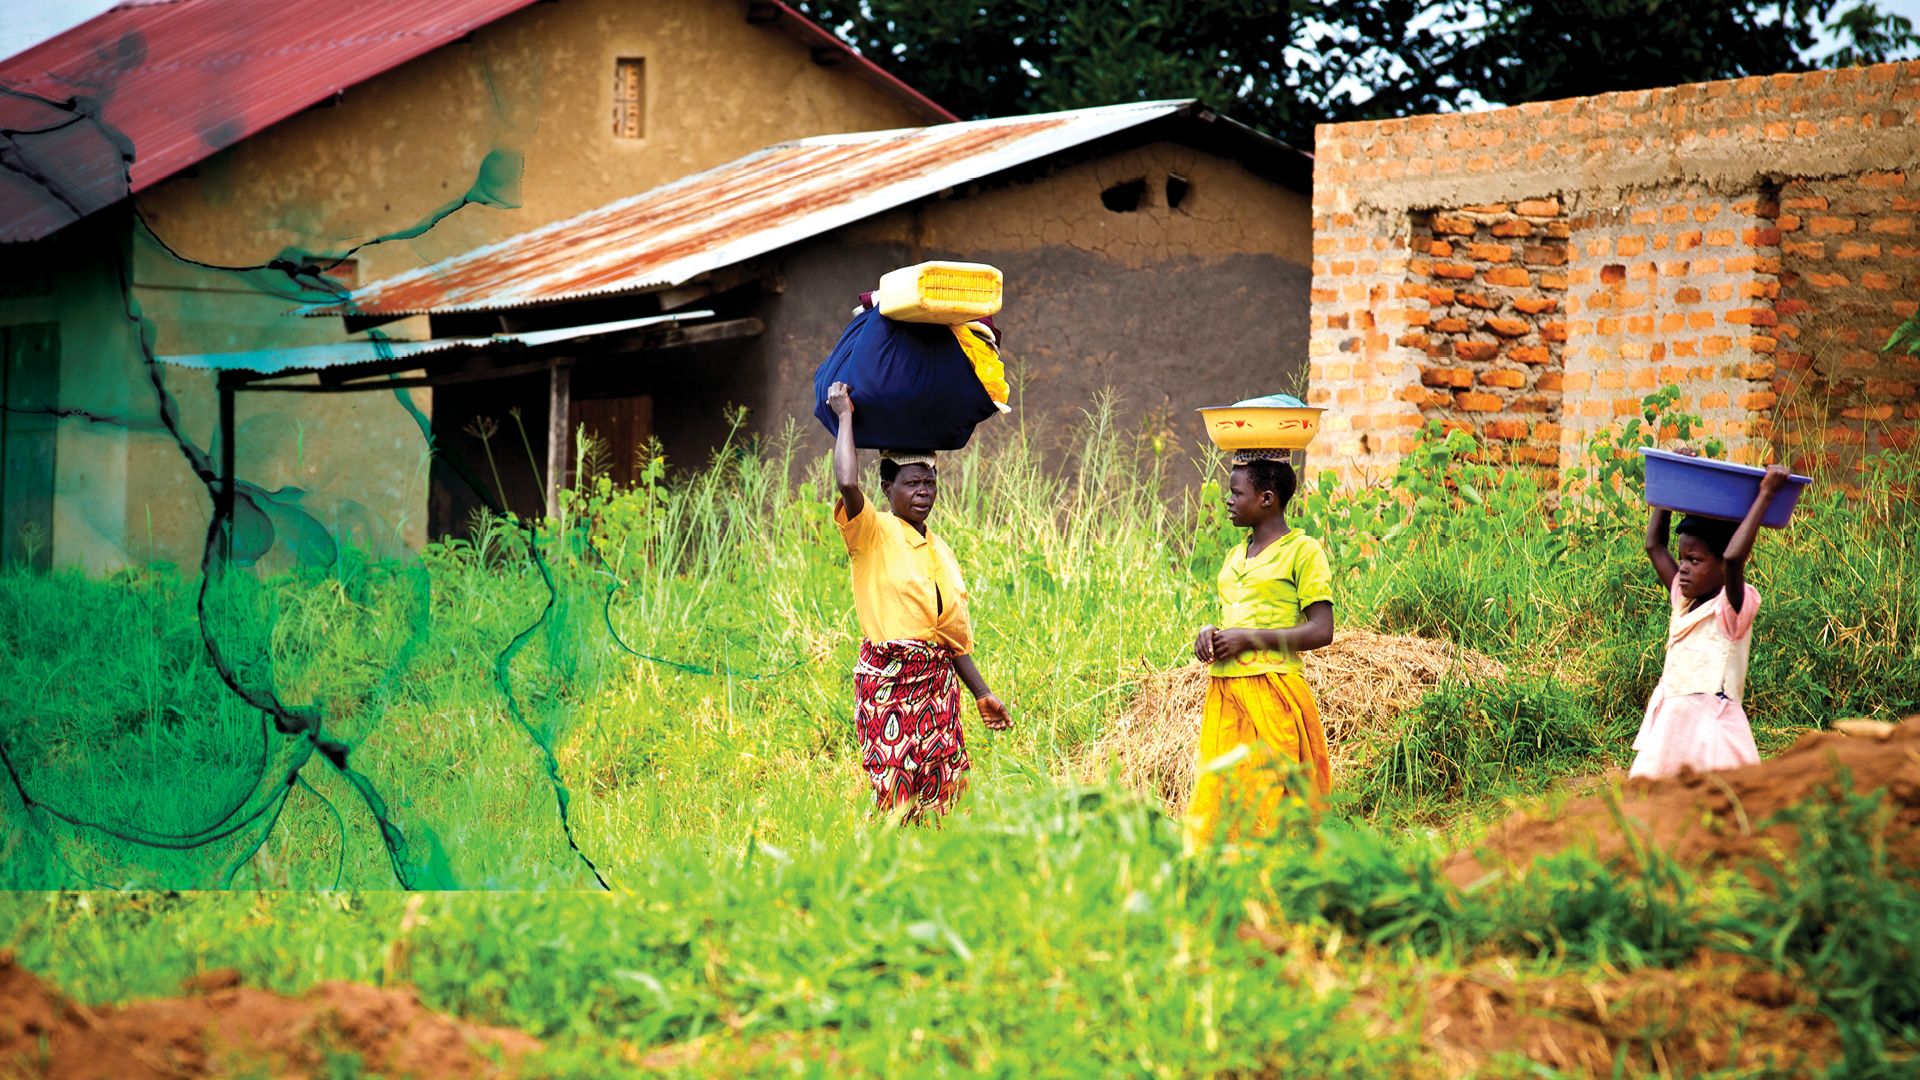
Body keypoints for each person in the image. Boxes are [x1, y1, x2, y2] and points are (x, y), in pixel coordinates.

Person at [826, 381, 1011, 822]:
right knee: (894, 790)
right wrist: (845, 415)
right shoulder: (871, 533)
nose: (924, 491)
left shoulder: (940, 551)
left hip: (937, 691)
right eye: (912, 483)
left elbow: (951, 638)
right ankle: (884, 872)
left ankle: (938, 869)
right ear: (888, 488)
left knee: (944, 792)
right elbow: (847, 480)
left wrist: (982, 693)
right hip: (889, 688)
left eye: (930, 482)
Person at [1188, 452, 1335, 848]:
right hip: (1225, 694)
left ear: (1267, 498)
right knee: (1222, 800)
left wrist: (1250, 638)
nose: (1228, 501)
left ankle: (1278, 893)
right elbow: (1233, 617)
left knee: (1272, 802)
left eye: (1236, 493)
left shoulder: (1303, 552)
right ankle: (1225, 893)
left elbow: (1322, 630)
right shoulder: (1235, 555)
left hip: (1273, 692)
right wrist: (1210, 634)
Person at [1631, 462, 1792, 779]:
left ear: (1720, 568)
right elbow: (1654, 544)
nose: (1684, 568)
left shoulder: (1732, 608)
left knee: (1722, 801)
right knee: (1655, 804)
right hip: (1671, 728)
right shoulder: (1683, 598)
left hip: (1712, 728)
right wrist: (1671, 482)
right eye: (1683, 559)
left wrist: (1767, 494)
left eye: (1694, 560)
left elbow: (1734, 558)